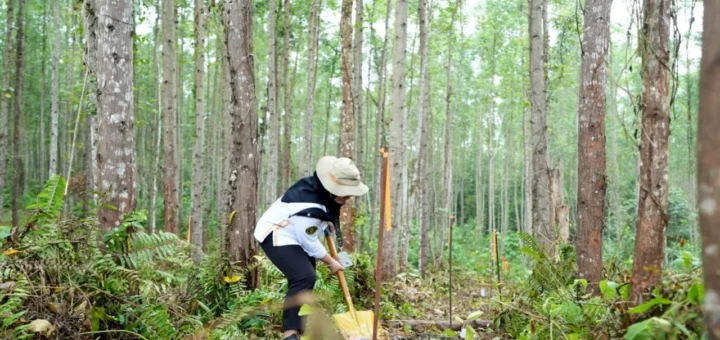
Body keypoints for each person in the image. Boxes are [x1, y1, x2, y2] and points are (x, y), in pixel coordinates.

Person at [254, 156, 369, 340]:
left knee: (305, 280)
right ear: (334, 188)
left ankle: (296, 331)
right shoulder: (309, 206)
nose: (348, 198)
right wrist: (331, 262)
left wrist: (327, 223)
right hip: (276, 232)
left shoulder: (321, 190)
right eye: (346, 193)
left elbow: (321, 216)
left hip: (294, 230)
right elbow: (308, 241)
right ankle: (290, 334)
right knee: (304, 276)